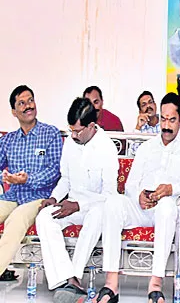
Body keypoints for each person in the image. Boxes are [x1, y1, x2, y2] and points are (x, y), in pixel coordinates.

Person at [95, 93, 180, 303]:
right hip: (141, 207)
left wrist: (171, 188)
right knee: (113, 203)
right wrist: (139, 195)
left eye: (172, 120)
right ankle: (111, 284)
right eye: (163, 119)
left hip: (167, 208)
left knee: (166, 207)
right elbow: (130, 184)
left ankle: (155, 285)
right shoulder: (147, 147)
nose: (166, 125)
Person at [35, 98, 118, 301]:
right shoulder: (71, 143)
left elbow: (109, 196)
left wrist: (78, 205)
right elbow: (66, 178)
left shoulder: (107, 148)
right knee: (44, 217)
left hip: (95, 208)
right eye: (70, 130)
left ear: (91, 126)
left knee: (99, 213)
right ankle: (64, 279)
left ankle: (75, 277)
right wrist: (54, 197)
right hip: (71, 204)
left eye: (77, 131)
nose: (72, 136)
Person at [0, 85, 62, 280]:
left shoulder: (50, 134)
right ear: (14, 111)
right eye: (22, 103)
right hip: (13, 196)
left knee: (16, 220)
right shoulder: (8, 140)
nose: (28, 106)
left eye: (30, 101)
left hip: (38, 198)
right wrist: (5, 177)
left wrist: (28, 179)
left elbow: (55, 170)